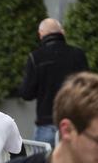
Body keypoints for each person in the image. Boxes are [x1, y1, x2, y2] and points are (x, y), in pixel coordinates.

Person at [20, 18, 90, 147]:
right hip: (74, 123)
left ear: (40, 34)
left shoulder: (36, 57)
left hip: (46, 124)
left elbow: (26, 93)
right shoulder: (78, 54)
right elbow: (88, 87)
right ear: (62, 33)